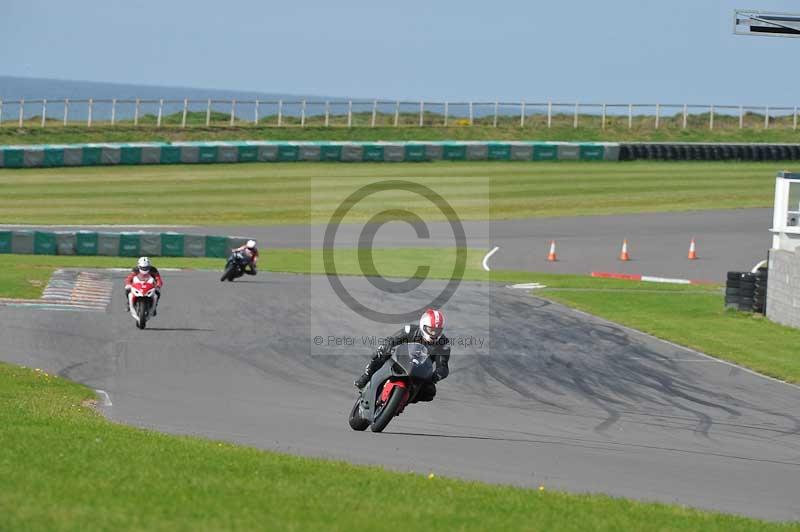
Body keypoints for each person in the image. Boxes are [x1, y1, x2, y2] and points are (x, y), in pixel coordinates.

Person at [354, 308, 450, 403]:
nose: (433, 333)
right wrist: (387, 347)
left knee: (430, 392)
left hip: (421, 370)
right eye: (431, 330)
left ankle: (402, 401)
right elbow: (392, 340)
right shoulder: (410, 330)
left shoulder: (443, 343)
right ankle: (367, 375)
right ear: (423, 326)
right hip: (402, 359)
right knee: (382, 351)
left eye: (437, 331)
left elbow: (443, 366)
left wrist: (436, 376)